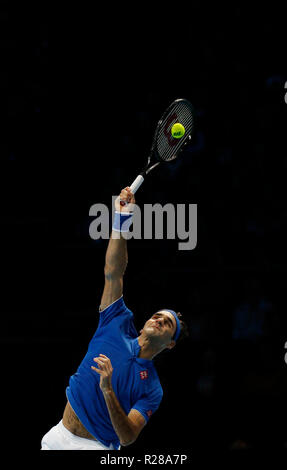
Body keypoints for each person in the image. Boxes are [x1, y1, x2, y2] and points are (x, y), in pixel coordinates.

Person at [41, 187, 188, 450]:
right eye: (157, 315)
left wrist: (108, 390)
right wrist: (121, 219)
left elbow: (128, 436)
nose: (159, 320)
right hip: (56, 435)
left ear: (170, 344)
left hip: (96, 447)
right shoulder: (116, 322)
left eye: (167, 324)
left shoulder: (152, 389)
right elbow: (114, 271)